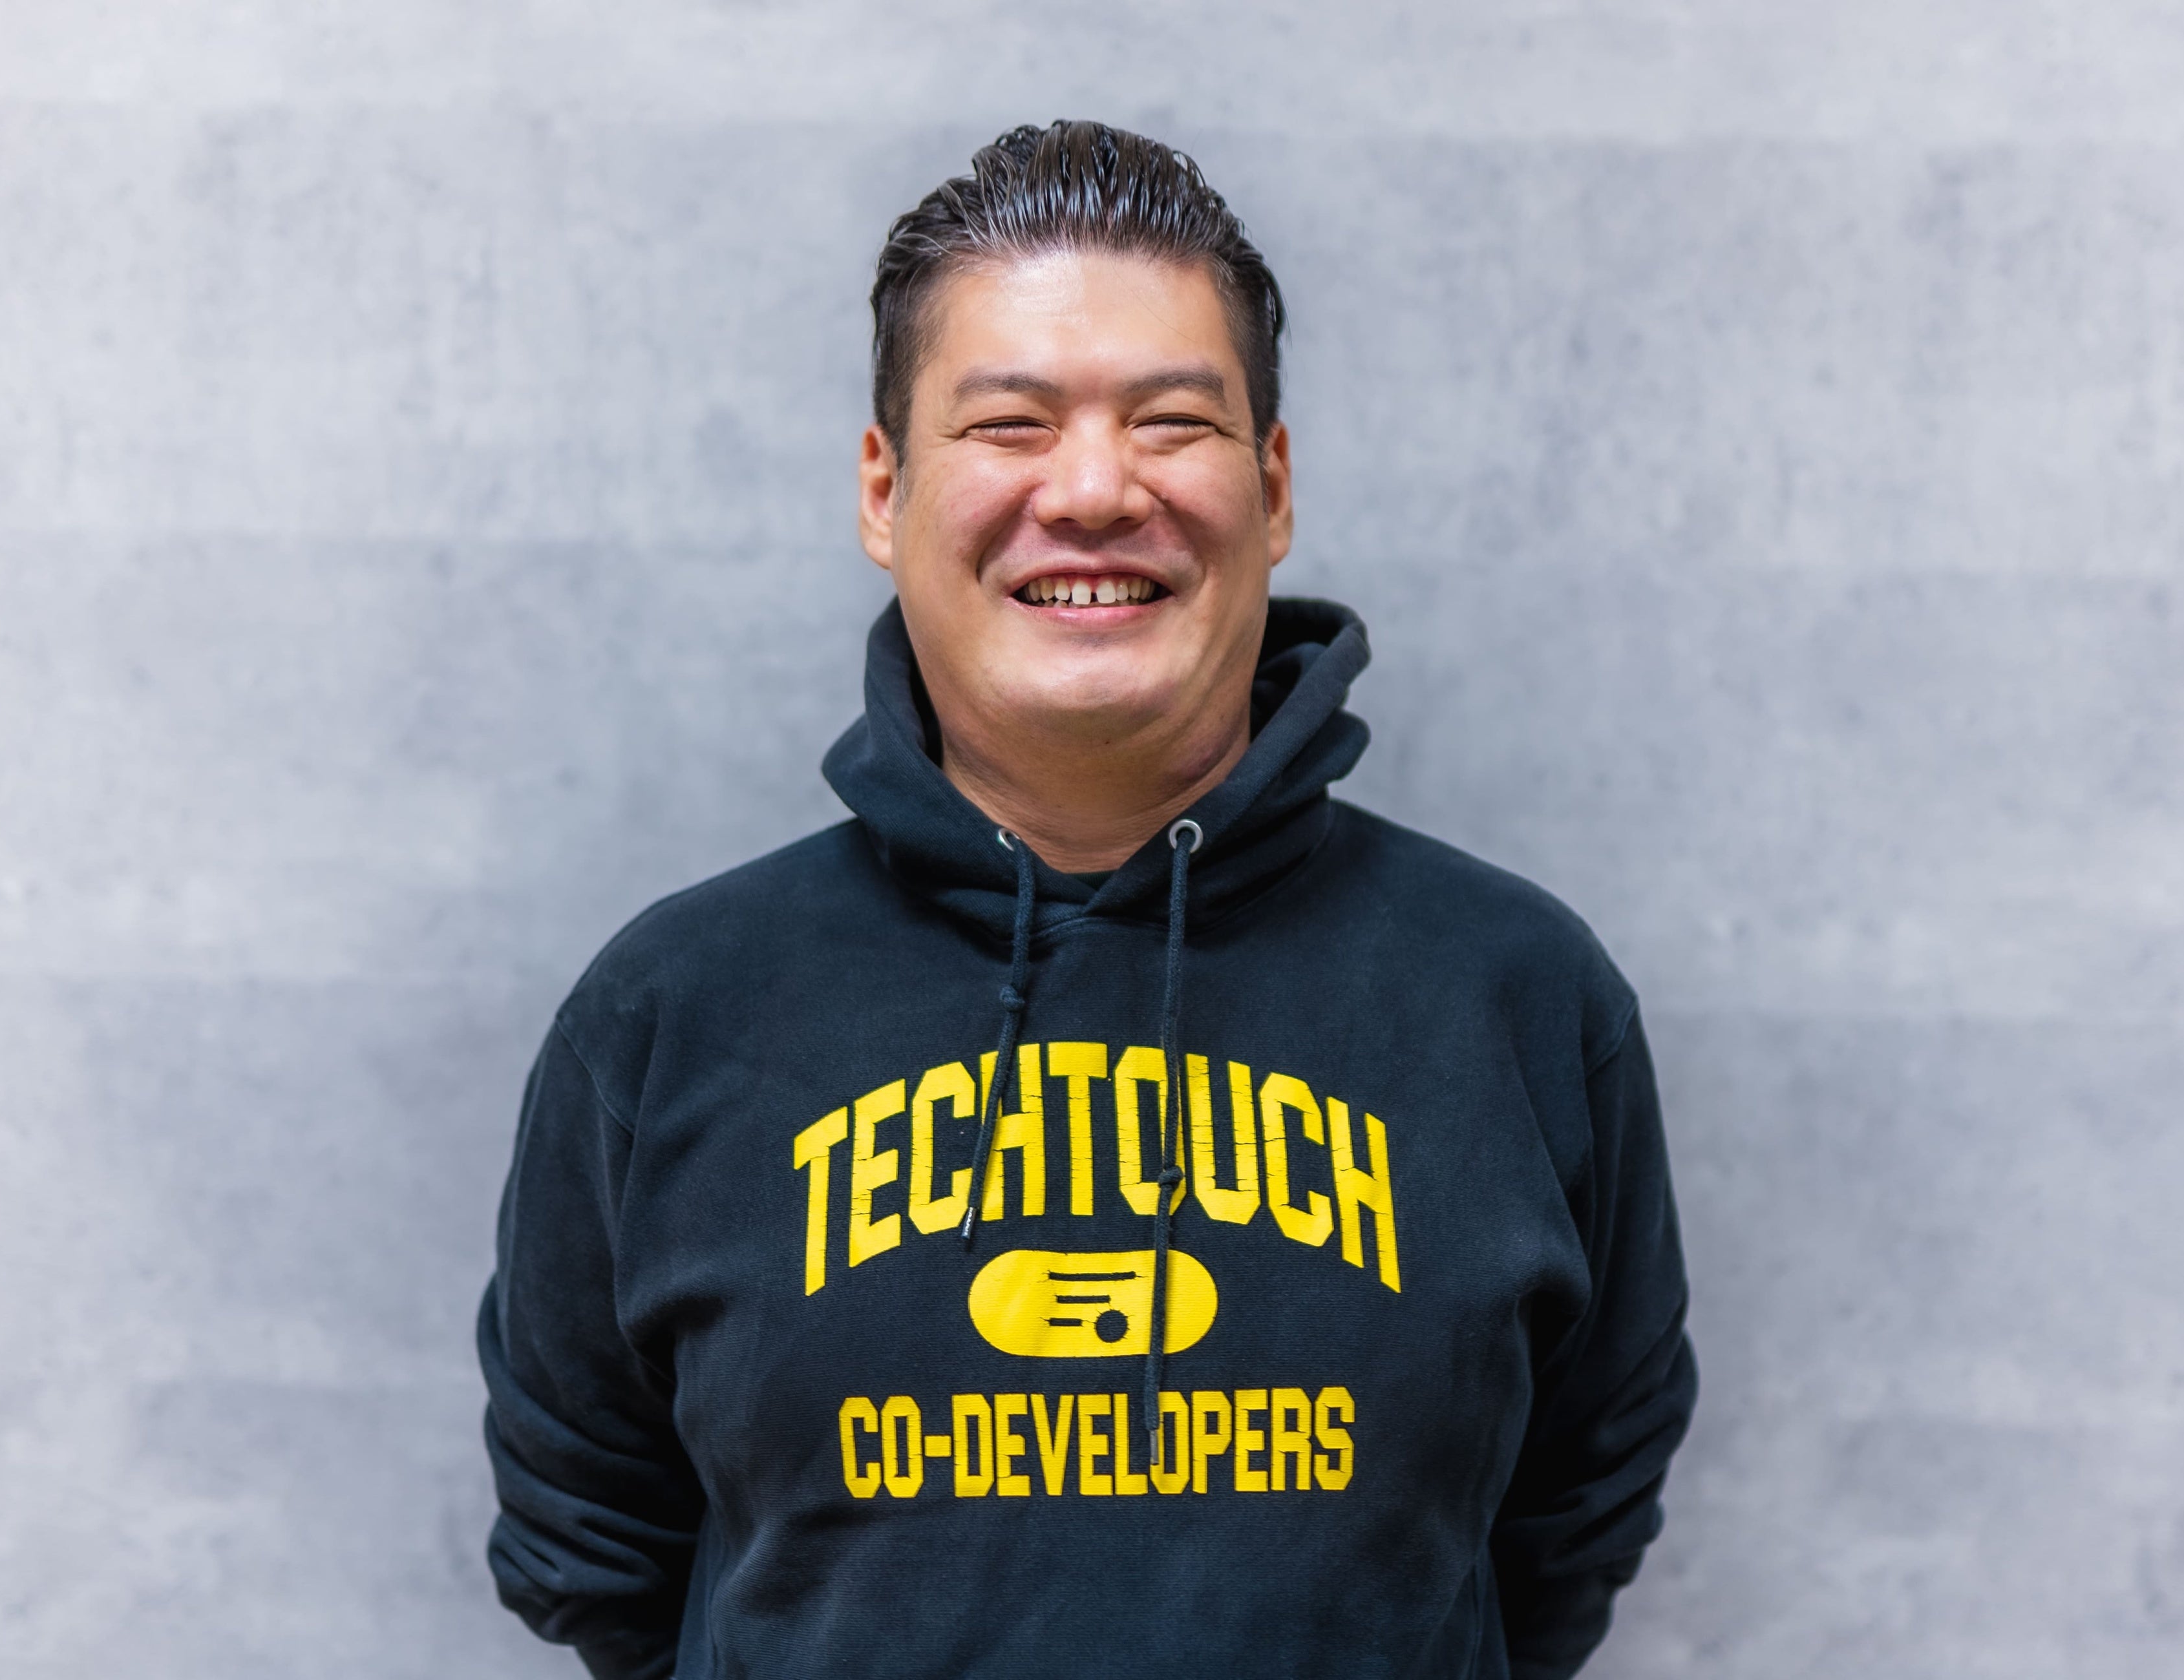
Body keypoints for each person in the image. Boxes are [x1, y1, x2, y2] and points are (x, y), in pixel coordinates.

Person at [478, 119, 1695, 1680]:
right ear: (884, 490)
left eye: (1173, 423)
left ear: (1271, 485)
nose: (1098, 488)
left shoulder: (1519, 995)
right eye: (1011, 424)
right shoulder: (671, 1013)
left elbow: (1574, 1512)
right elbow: (590, 1538)